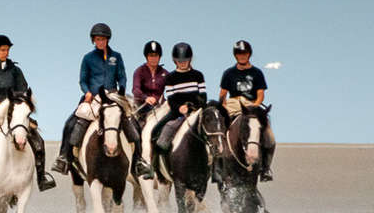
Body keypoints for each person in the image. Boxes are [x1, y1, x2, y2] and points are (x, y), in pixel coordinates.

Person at [52, 22, 145, 176]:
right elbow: (82, 80)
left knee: (133, 123)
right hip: (93, 97)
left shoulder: (116, 56)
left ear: (108, 39)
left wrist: (121, 91)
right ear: (93, 40)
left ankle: (139, 161)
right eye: (97, 39)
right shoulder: (88, 58)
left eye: (102, 39)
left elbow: (122, 77)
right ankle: (64, 158)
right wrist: (87, 91)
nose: (100, 42)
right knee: (71, 123)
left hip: (114, 97)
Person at [0, 35, 55, 193]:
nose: (4, 53)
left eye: (7, 50)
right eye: (2, 50)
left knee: (38, 140)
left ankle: (41, 178)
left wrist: (17, 101)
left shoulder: (15, 70)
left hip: (13, 112)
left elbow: (22, 89)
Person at [142, 42, 206, 173]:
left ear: (190, 59)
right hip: (177, 112)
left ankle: (217, 168)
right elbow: (171, 99)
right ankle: (153, 166)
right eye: (179, 61)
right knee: (156, 130)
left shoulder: (198, 75)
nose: (182, 63)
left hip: (196, 111)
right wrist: (180, 108)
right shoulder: (170, 77)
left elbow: (203, 96)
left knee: (215, 130)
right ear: (174, 60)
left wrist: (194, 107)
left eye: (185, 60)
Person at [218, 39, 275, 180]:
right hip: (234, 104)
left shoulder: (257, 73)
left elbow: (261, 95)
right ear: (235, 55)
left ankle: (265, 168)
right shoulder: (229, 73)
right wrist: (224, 107)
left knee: (269, 135)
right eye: (239, 54)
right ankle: (217, 167)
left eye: (244, 53)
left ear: (249, 54)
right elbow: (222, 94)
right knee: (219, 131)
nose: (242, 56)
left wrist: (254, 106)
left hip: (252, 105)